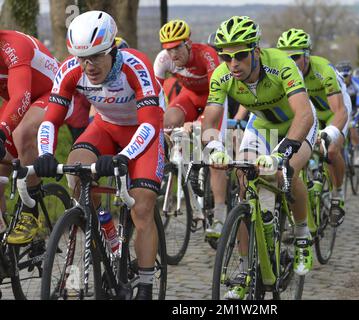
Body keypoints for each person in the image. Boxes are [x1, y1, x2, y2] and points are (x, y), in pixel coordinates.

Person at [33, 11, 165, 300]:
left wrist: (124, 157)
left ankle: (144, 284)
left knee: (142, 206)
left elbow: (150, 124)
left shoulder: (136, 65)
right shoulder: (71, 70)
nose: (88, 65)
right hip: (105, 127)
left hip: (143, 132)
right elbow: (50, 120)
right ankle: (107, 232)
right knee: (77, 173)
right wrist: (45, 153)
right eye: (82, 58)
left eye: (95, 56)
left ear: (112, 49)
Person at [202, 16, 318, 299]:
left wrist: (282, 154)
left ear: (255, 50)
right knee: (244, 180)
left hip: (298, 125)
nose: (233, 63)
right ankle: (244, 269)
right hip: (263, 127)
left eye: (240, 55)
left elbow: (303, 114)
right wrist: (212, 145)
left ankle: (302, 235)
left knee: (285, 171)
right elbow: (211, 118)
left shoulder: (280, 64)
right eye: (225, 57)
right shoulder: (222, 76)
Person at [155, 20, 228, 239]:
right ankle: (183, 165)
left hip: (214, 101)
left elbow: (219, 94)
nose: (173, 53)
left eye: (177, 47)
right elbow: (154, 95)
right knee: (167, 121)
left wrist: (202, 122)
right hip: (188, 97)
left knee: (213, 150)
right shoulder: (162, 60)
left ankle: (220, 214)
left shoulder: (207, 56)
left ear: (188, 43)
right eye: (168, 48)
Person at [277, 28, 350, 227]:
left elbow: (339, 110)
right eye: (285, 57)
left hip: (333, 111)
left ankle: (338, 194)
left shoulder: (322, 69)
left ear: (307, 55)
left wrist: (328, 132)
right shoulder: (284, 73)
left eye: (295, 57)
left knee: (332, 149)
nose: (290, 62)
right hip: (309, 114)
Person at [0, 29, 60, 243]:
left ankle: (30, 211)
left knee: (23, 132)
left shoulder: (14, 46)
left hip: (52, 92)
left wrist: (2, 132)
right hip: (19, 98)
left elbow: (22, 96)